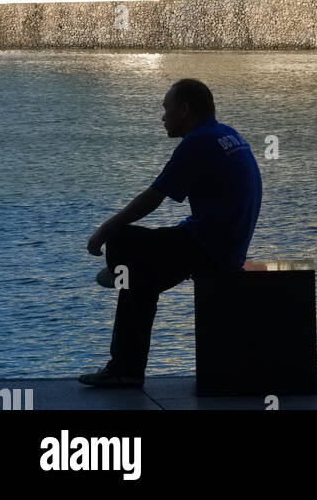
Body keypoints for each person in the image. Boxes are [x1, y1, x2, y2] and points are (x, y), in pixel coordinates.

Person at [79, 78, 262, 389]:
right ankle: (126, 370)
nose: (162, 116)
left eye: (166, 108)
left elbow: (153, 198)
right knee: (141, 281)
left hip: (211, 249)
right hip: (228, 245)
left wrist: (103, 231)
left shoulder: (197, 142)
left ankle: (117, 273)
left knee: (123, 238)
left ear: (184, 109)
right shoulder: (227, 134)